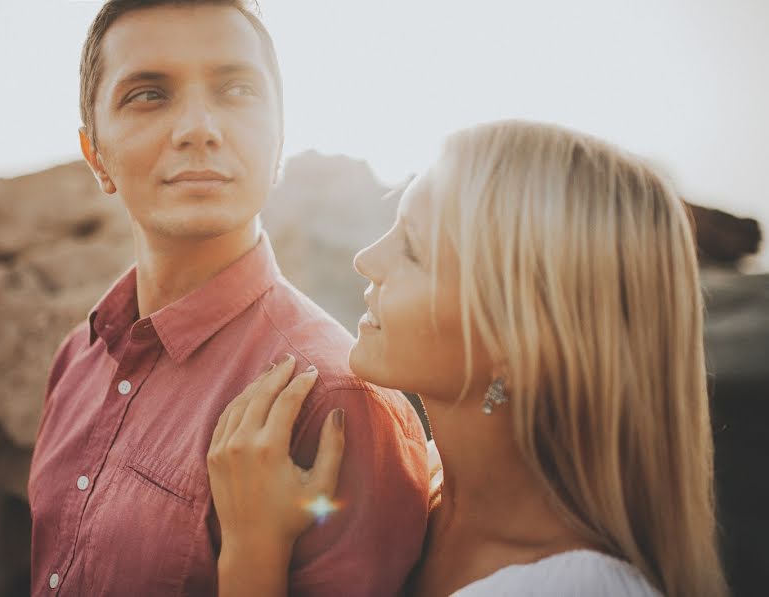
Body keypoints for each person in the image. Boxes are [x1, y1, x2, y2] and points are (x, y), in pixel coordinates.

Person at [207, 120, 730, 597]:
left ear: (519, 340)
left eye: (412, 248)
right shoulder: (420, 491)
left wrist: (253, 553)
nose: (366, 260)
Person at [26, 1, 429, 595]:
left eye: (237, 89)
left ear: (279, 142)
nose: (198, 128)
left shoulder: (336, 400)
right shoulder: (76, 359)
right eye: (148, 94)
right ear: (97, 157)